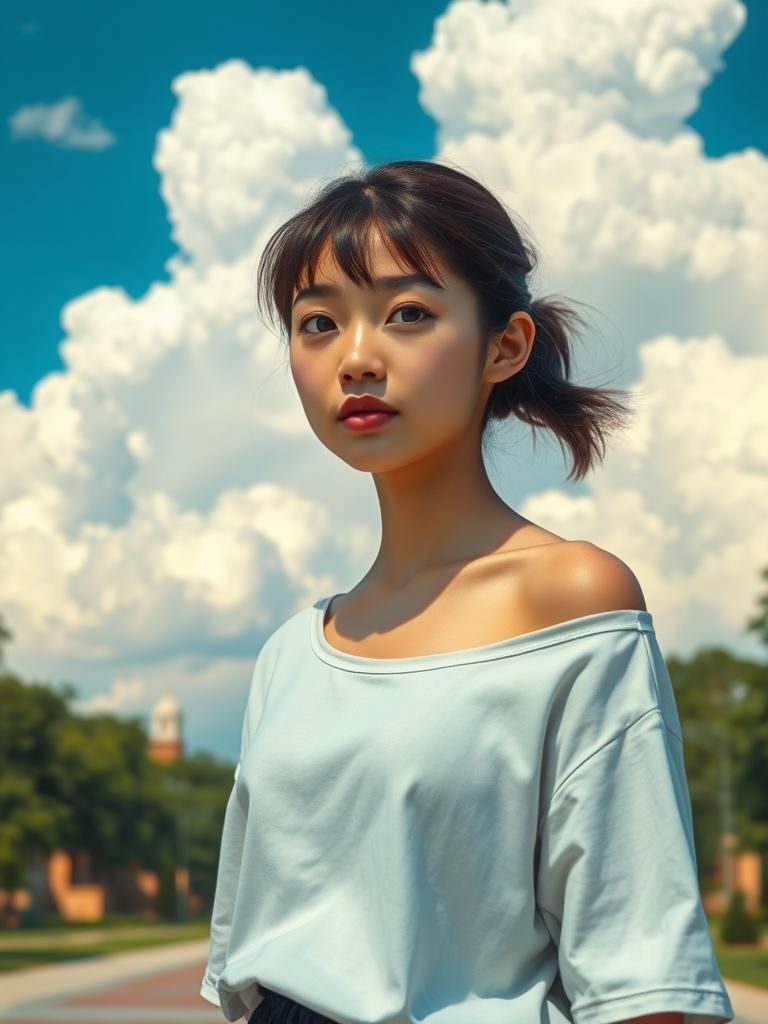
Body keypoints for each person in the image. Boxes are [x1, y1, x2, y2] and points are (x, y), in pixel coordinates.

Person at [200, 160, 735, 1024]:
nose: (357, 358)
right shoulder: (290, 656)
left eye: (408, 314)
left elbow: (645, 979)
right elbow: (250, 972)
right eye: (318, 324)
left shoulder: (571, 598)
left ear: (506, 345)